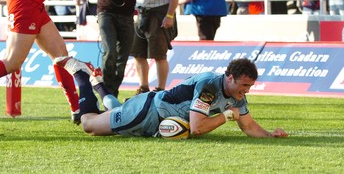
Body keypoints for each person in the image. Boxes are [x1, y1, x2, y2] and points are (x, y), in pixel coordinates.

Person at [65, 58, 289, 138]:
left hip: (156, 113)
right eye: (244, 85)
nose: (247, 90)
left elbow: (248, 125)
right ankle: (81, 75)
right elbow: (197, 127)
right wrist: (227, 116)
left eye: (250, 86)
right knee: (89, 125)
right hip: (148, 112)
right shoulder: (210, 85)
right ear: (229, 77)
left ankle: (98, 84)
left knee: (113, 111)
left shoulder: (236, 95)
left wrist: (270, 135)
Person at [85, 0, 144, 97]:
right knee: (110, 51)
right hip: (106, 11)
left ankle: (112, 92)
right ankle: (106, 92)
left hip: (127, 14)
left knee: (122, 57)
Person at [132, 0, 181, 94]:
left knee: (159, 55)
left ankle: (160, 89)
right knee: (138, 53)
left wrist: (170, 15)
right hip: (141, 12)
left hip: (160, 12)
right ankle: (144, 88)